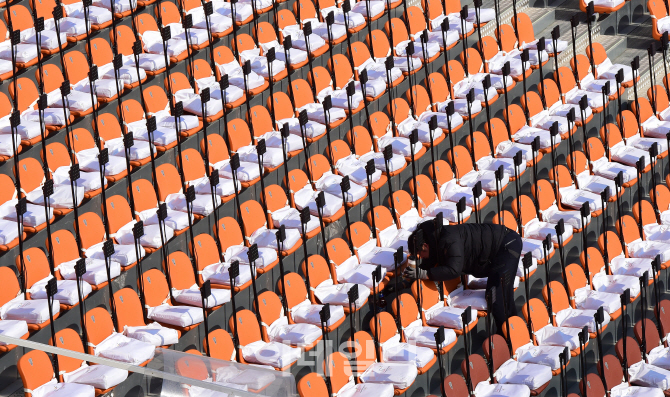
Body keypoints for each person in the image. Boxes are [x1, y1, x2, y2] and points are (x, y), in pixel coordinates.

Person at [403, 220, 522, 333]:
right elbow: (431, 260)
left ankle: (508, 336)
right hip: (503, 244)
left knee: (497, 295)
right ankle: (512, 331)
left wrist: (424, 274)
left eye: (421, 254)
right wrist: (409, 279)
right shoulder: (436, 240)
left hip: (507, 246)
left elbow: (453, 269)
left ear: (425, 245)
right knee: (500, 294)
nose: (422, 258)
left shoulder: (449, 239)